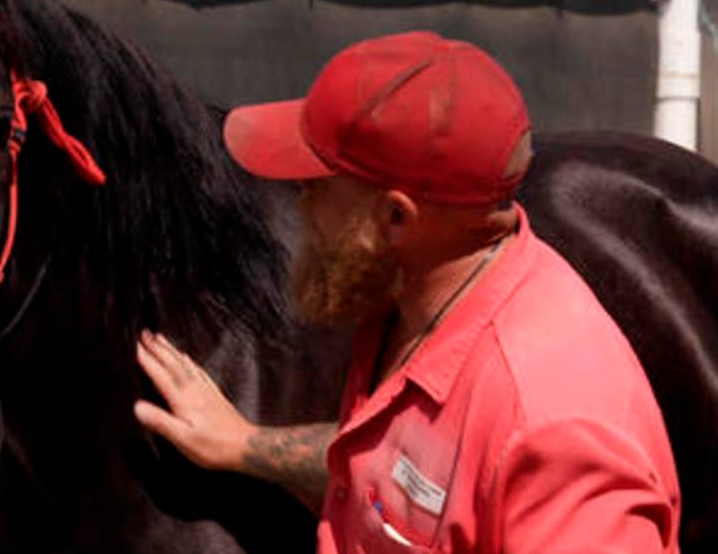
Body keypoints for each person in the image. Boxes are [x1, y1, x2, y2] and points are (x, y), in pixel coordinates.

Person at [134, 31, 681, 552]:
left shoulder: (552, 423)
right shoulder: (415, 304)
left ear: (395, 217)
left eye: (317, 183)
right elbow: (398, 473)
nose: (299, 199)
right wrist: (245, 445)